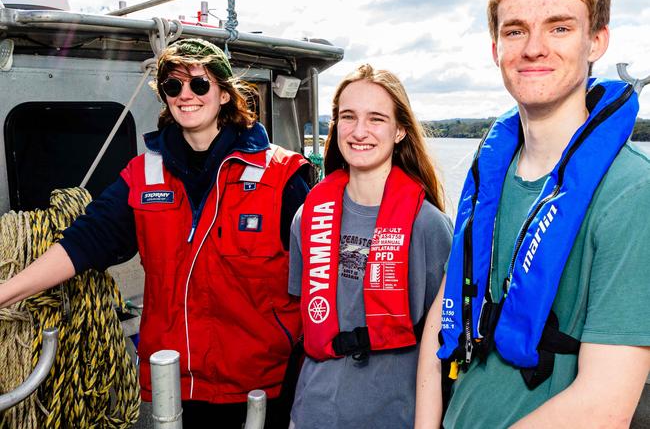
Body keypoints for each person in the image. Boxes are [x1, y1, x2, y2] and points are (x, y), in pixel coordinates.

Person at [0, 38, 311, 428]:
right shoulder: (143, 176)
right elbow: (82, 245)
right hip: (175, 386)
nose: (186, 95)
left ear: (225, 94)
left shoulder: (282, 176)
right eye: (173, 86)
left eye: (199, 85)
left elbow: (320, 278)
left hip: (262, 388)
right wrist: (4, 294)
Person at [415, 0, 650, 429]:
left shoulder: (633, 190)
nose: (534, 48)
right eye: (515, 30)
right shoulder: (489, 178)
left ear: (597, 41)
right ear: (495, 47)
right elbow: (445, 312)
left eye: (560, 27)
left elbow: (604, 405)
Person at [288, 63, 453, 428]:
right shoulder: (307, 217)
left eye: (376, 119)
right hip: (312, 414)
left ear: (399, 132)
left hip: (394, 416)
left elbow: (443, 344)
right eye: (348, 117)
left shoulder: (429, 227)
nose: (359, 131)